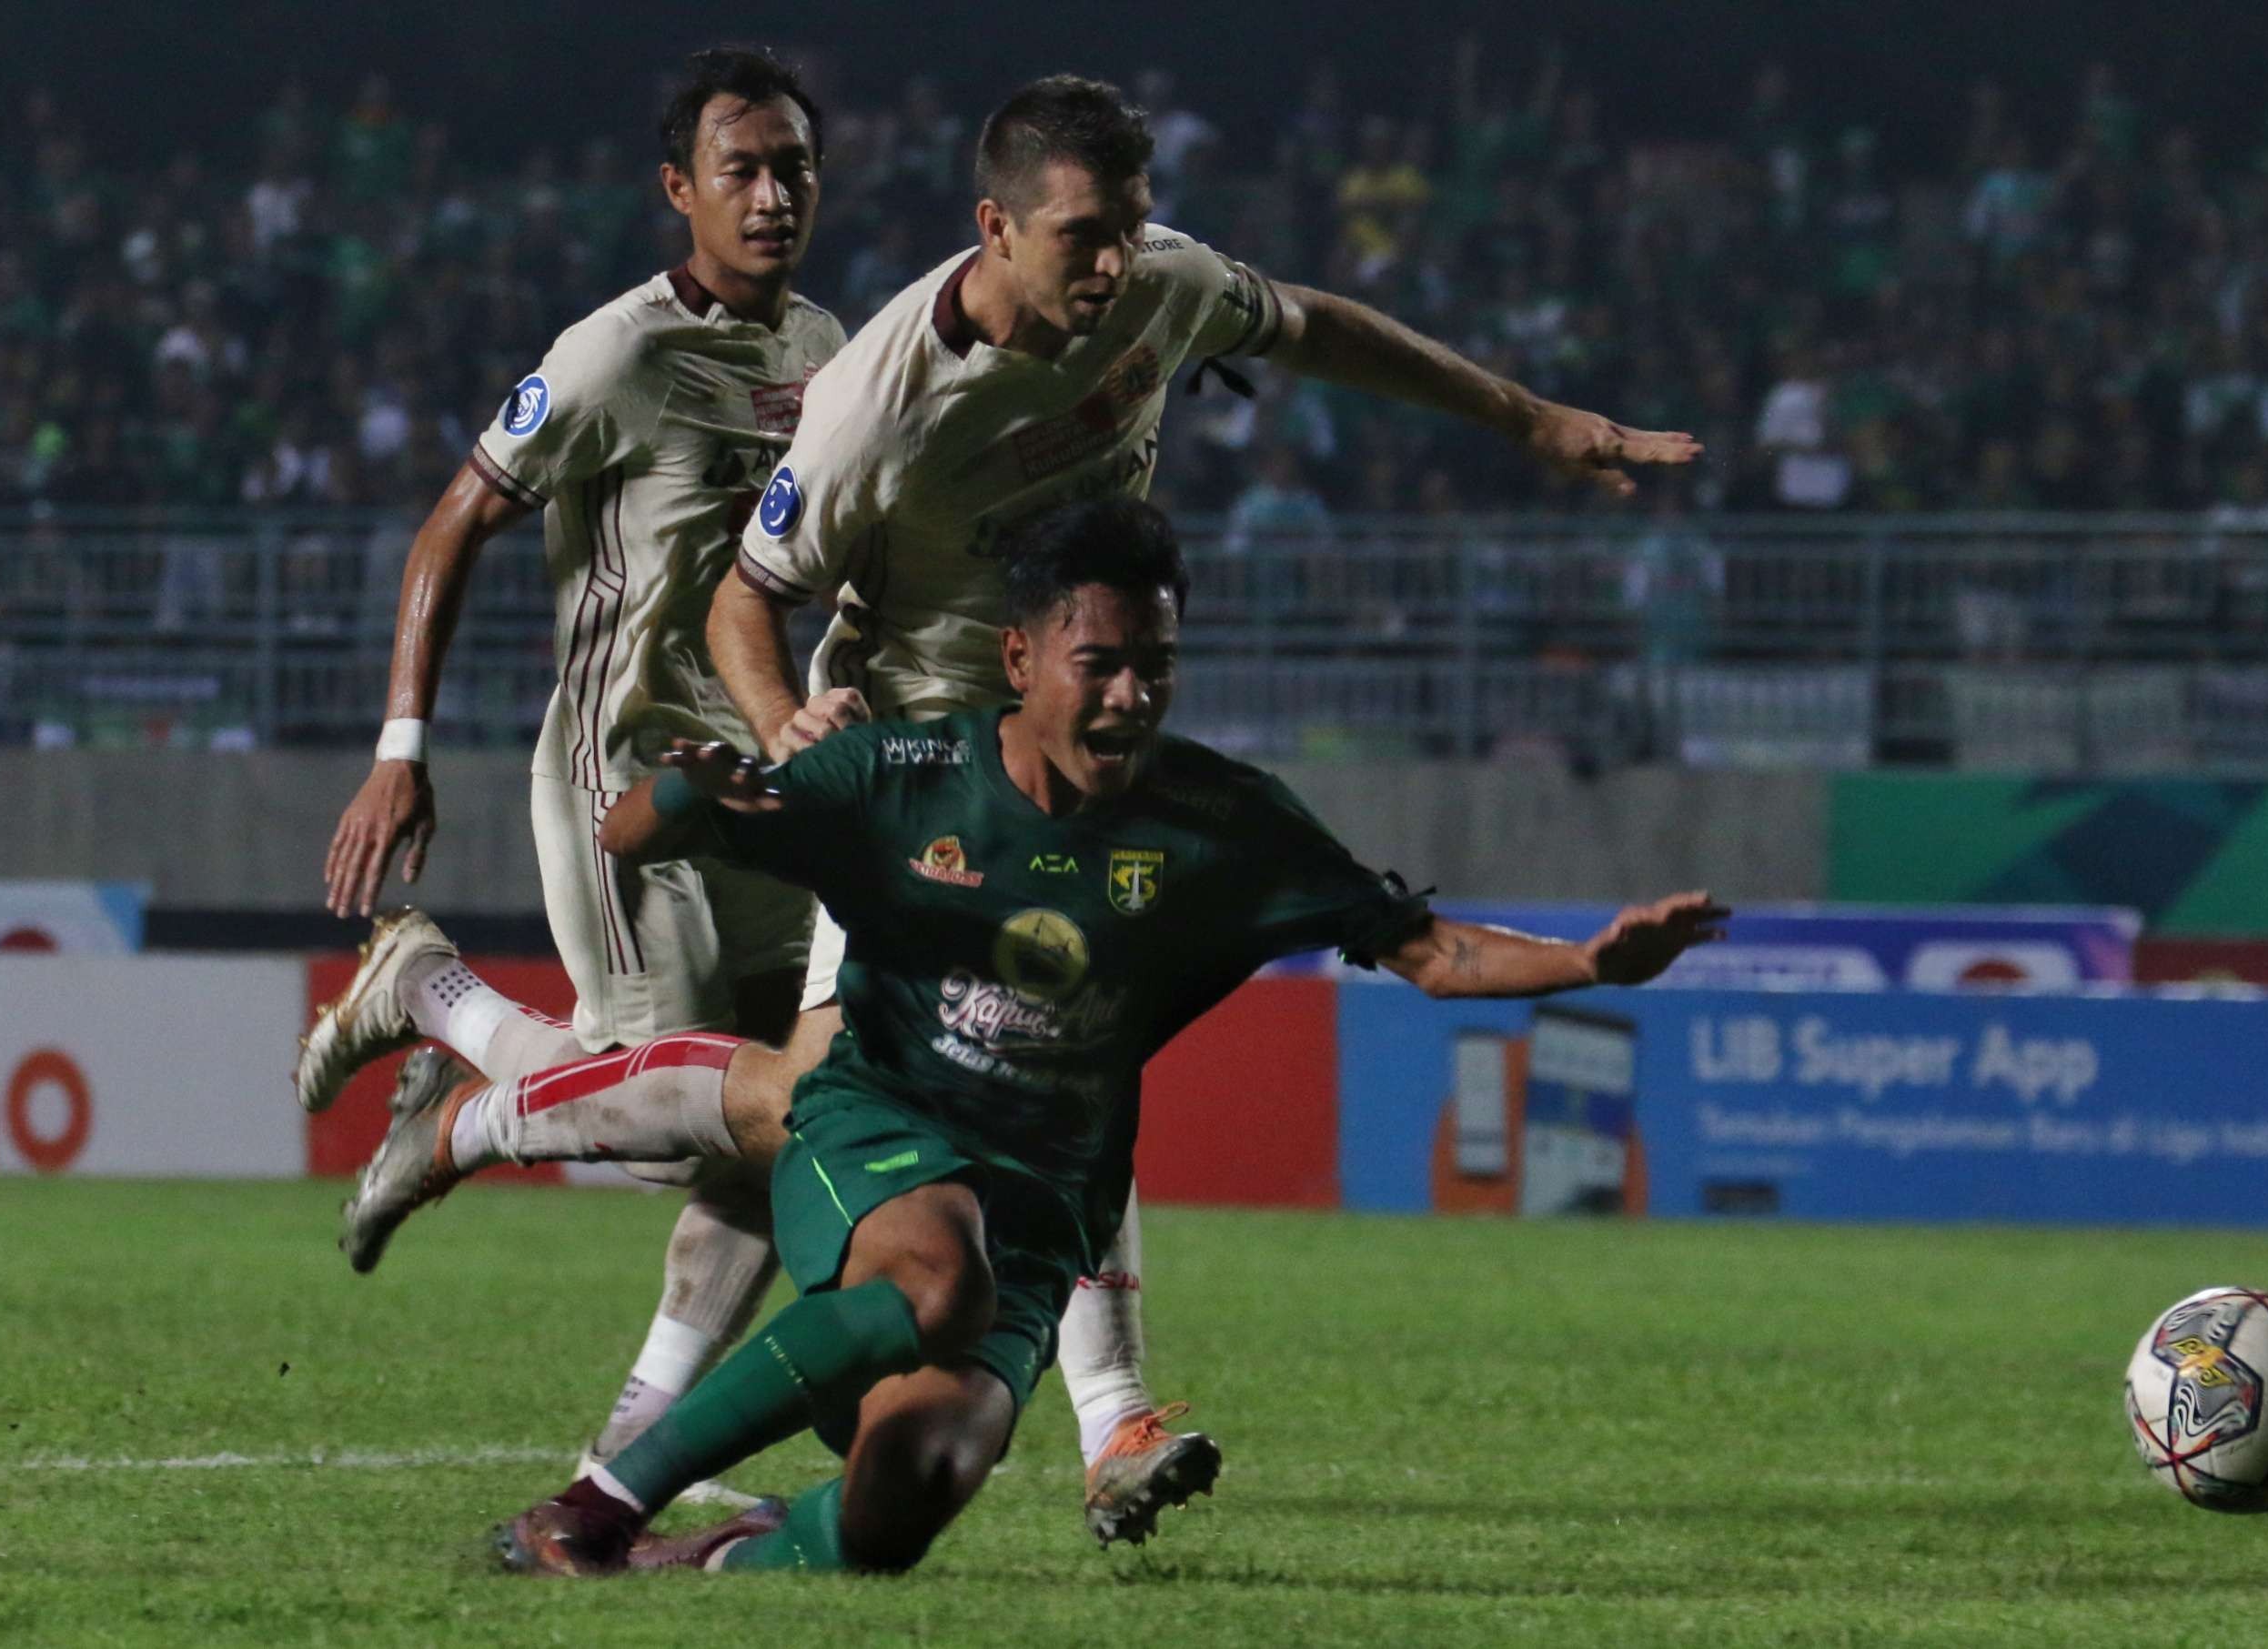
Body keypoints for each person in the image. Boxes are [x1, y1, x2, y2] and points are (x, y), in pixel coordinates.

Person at [332, 497, 1725, 1575]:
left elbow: (1430, 949)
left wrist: (1592, 958)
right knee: (935, 1270)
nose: (1130, 695)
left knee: (900, 1498)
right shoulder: (905, 772)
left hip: (1046, 1213)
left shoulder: (1223, 824)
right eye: (1100, 663)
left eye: (1156, 666)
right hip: (869, 1132)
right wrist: (679, 799)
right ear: (1021, 657)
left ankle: (703, 1561)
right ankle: (585, 1508)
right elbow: (629, 834)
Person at [703, 72, 1696, 1535]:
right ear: (995, 228)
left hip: (1079, 738)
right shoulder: (876, 405)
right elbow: (744, 596)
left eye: (1133, 229)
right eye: (1082, 237)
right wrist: (789, 721)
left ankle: (1102, 1418)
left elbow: (1310, 324)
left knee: (1065, 1040)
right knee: (804, 1100)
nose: (1115, 264)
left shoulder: (1158, 287)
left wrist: (1529, 417)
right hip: (927, 777)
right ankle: (509, 1072)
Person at [307, 46, 847, 1505]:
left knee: (797, 1100)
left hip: (760, 790)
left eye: (794, 164)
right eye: (741, 167)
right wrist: (400, 752)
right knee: (683, 1123)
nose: (773, 193)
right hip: (623, 789)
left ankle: (625, 1451)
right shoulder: (615, 352)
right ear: (681, 190)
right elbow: (449, 527)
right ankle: (436, 1008)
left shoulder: (834, 351)